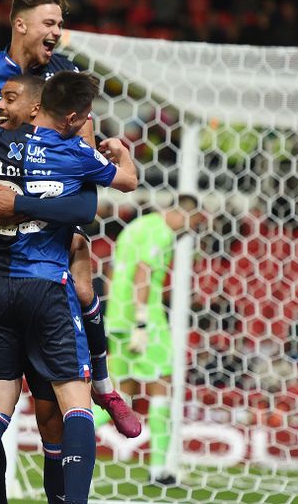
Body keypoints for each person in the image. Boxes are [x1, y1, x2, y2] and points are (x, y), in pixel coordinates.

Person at [0, 71, 138, 504]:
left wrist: (0, 187)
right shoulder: (75, 153)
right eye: (85, 117)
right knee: (76, 406)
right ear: (71, 118)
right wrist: (122, 154)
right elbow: (127, 182)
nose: (86, 124)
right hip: (47, 288)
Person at [104, 195, 205, 486]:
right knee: (164, 384)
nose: (189, 231)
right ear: (184, 214)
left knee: (119, 396)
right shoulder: (161, 232)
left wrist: (116, 312)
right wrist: (141, 321)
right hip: (145, 320)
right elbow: (143, 271)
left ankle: (69, 431)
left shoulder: (136, 226)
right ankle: (160, 469)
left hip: (117, 317)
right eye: (193, 224)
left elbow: (112, 270)